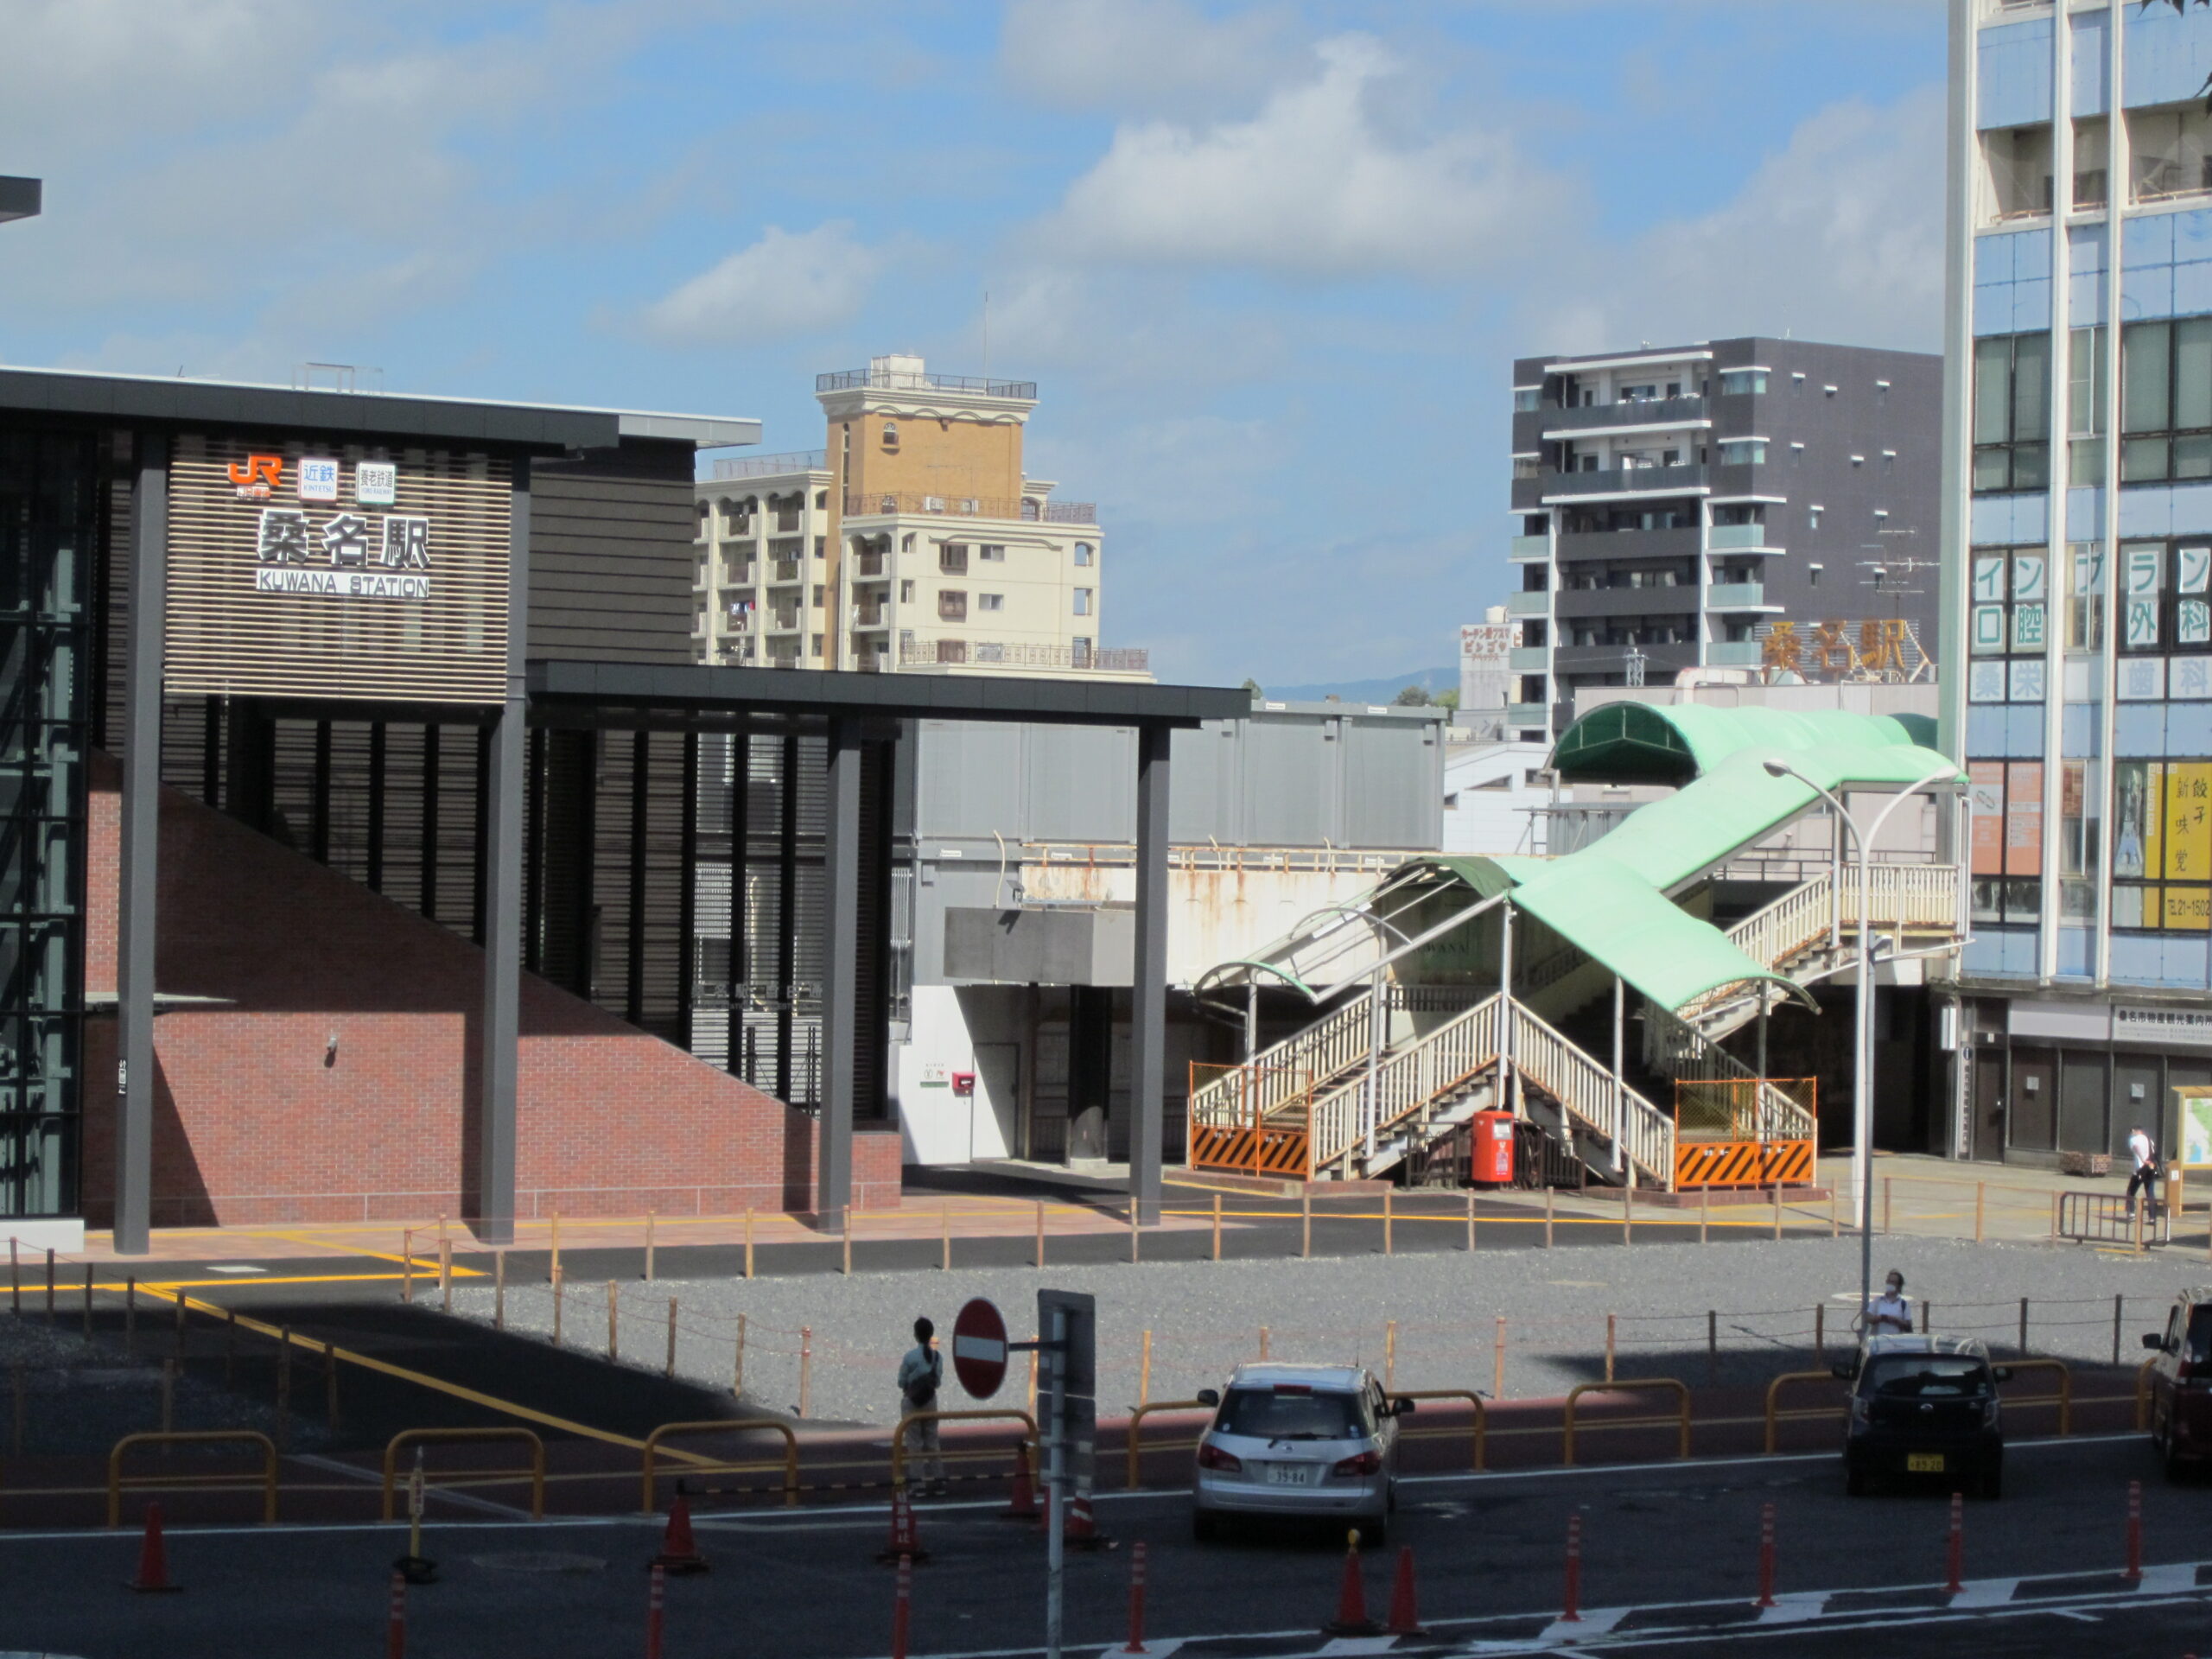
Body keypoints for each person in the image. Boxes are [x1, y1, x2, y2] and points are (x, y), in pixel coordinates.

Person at [897, 1316, 947, 1496]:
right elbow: (938, 1382)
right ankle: (940, 1481)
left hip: (912, 1401)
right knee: (932, 1441)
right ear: (931, 1335)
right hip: (931, 1400)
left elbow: (901, 1381)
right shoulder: (938, 1357)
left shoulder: (910, 1357)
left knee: (914, 1443)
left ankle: (918, 1484)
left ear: (916, 1335)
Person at [2126, 1125, 2160, 1217]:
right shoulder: (2149, 1139)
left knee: (2131, 1191)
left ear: (2134, 1130)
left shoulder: (2134, 1139)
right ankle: (2152, 1217)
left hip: (2140, 1169)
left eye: (2131, 1130)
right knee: (2150, 1192)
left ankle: (2132, 1214)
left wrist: (2142, 1159)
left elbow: (2136, 1148)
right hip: (2150, 1168)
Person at [1866, 1270, 1913, 1337]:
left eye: (1893, 1282)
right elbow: (1868, 1318)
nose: (1890, 1284)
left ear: (1899, 1286)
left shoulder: (1903, 1304)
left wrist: (1896, 1320)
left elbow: (1908, 1326)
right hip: (1880, 1341)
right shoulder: (1878, 1301)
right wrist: (1881, 1318)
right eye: (1888, 1281)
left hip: (1897, 1342)